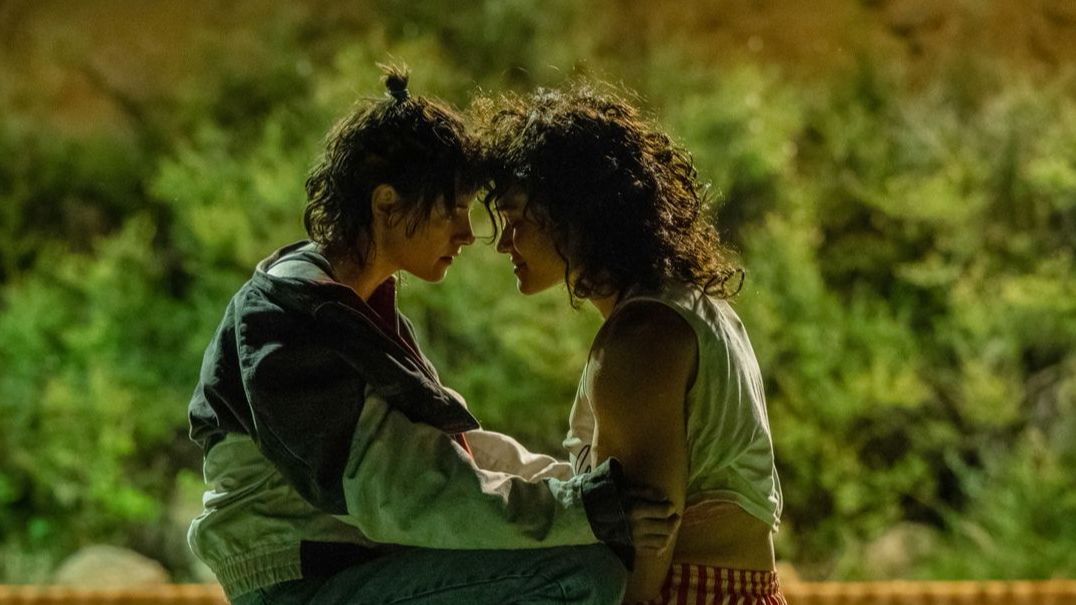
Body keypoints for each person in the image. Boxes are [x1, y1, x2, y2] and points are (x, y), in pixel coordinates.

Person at [186, 66, 677, 605]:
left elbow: (446, 454)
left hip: (354, 569)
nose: (467, 234)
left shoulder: (350, 308)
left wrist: (583, 492)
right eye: (453, 210)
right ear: (386, 204)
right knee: (579, 575)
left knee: (583, 554)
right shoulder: (286, 320)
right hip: (297, 584)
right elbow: (401, 488)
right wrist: (583, 507)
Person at [478, 83, 787, 604]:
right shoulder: (690, 307)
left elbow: (640, 558)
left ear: (574, 214)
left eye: (515, 220)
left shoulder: (641, 340)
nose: (504, 243)